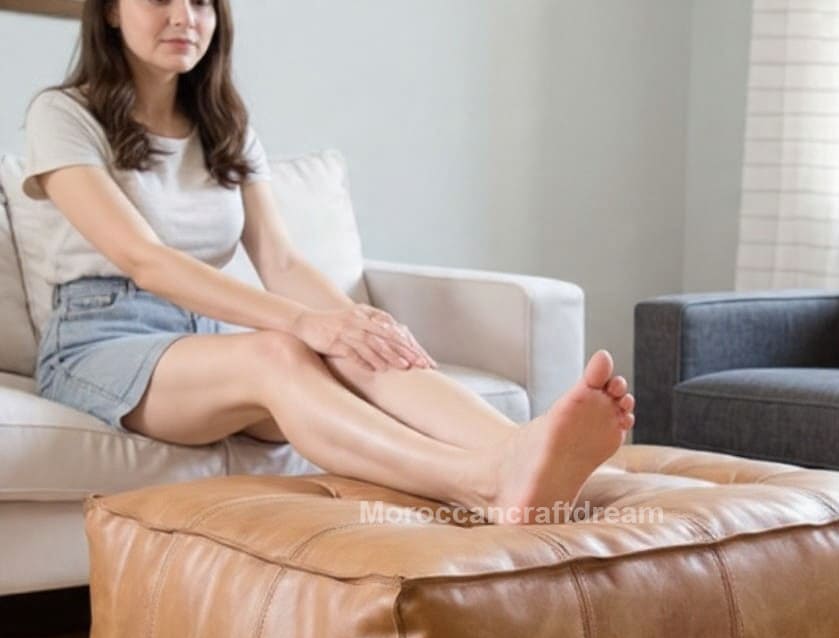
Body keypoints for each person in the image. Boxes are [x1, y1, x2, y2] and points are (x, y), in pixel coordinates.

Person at [23, 0, 636, 525]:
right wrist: (300, 322)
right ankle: (480, 481)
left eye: (203, 1)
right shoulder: (63, 115)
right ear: (109, 11)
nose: (185, 17)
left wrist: (358, 326)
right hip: (101, 342)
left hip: (202, 341)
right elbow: (145, 259)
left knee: (353, 340)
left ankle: (525, 451)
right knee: (279, 349)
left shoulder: (223, 124)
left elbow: (282, 259)